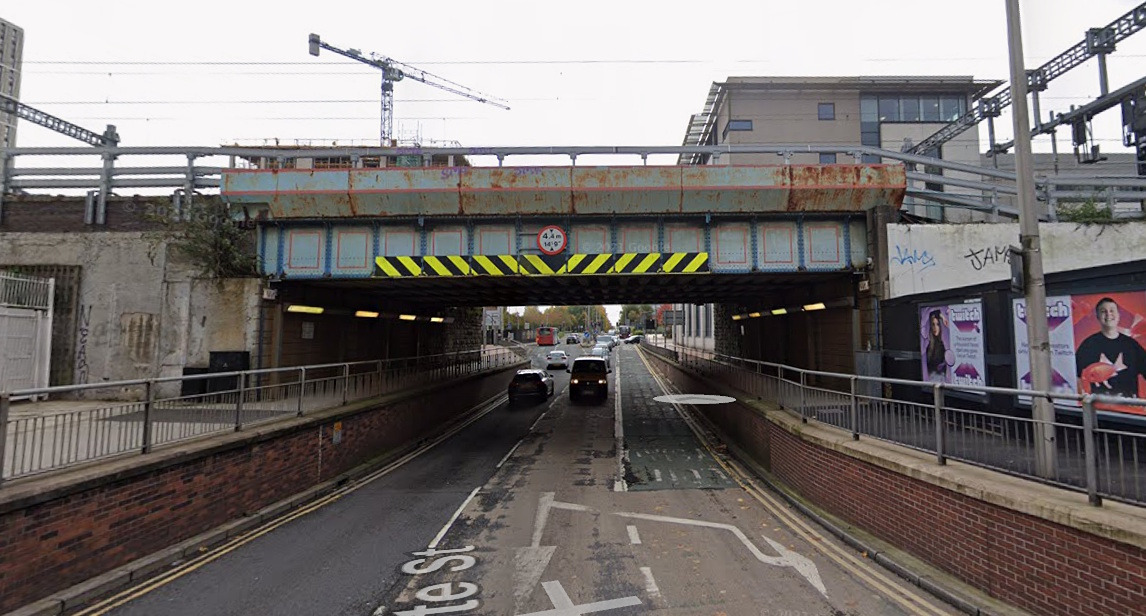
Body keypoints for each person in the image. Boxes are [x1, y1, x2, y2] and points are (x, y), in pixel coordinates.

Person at [1075, 297, 1146, 398]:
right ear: (1097, 317)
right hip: (1100, 407)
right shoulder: (1088, 344)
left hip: (1130, 407)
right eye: (1103, 311)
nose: (1108, 314)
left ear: (1118, 315)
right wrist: (1081, 396)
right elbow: (1074, 374)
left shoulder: (1132, 345)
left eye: (1112, 310)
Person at [924, 309, 949, 379]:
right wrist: (943, 317)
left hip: (941, 379)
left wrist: (943, 318)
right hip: (931, 379)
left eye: (937, 324)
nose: (935, 328)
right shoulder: (928, 345)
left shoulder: (941, 345)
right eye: (933, 324)